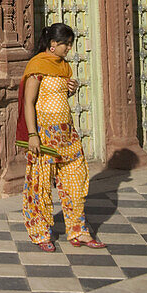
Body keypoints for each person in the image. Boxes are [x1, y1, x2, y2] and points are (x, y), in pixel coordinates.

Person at [17, 21, 106, 252]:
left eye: (70, 44)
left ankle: (79, 231)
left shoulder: (64, 67)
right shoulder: (37, 65)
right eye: (66, 44)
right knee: (41, 185)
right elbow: (28, 102)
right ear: (53, 44)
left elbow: (57, 96)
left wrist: (70, 89)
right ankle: (41, 233)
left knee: (75, 183)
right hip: (44, 136)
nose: (69, 48)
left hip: (67, 134)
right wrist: (33, 135)